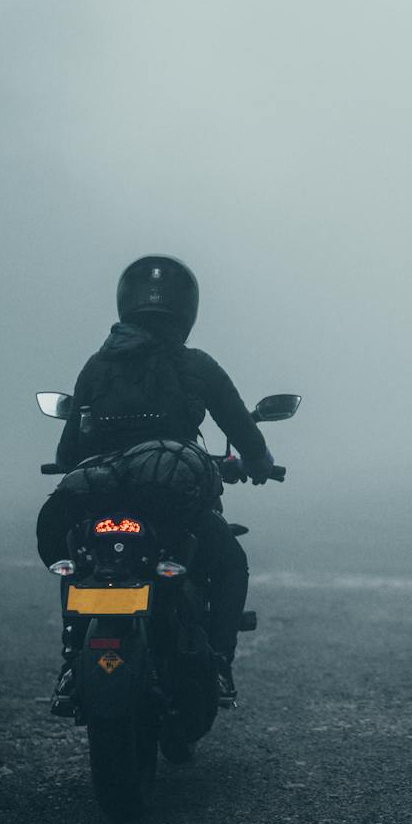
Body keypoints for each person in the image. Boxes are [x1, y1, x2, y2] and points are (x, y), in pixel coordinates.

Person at [36, 255, 274, 710]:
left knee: (76, 555)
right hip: (171, 501)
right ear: (187, 310)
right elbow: (244, 432)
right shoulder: (197, 365)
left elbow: (67, 454)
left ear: (126, 303)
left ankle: (71, 660)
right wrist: (259, 463)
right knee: (229, 564)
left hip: (99, 498)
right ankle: (219, 663)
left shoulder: (96, 367)